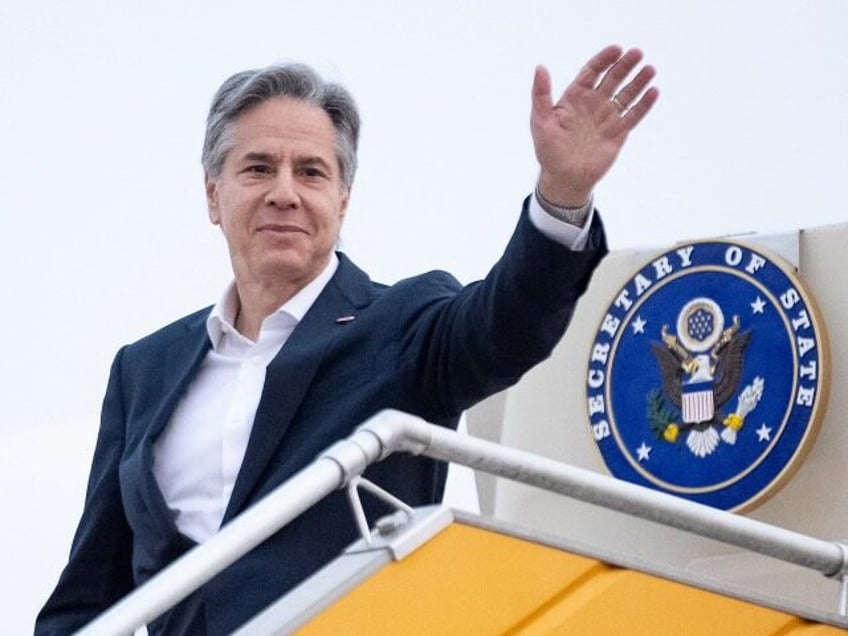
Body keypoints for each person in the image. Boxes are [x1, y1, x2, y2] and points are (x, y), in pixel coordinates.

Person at [36, 45, 658, 635]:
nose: (285, 192)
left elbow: (506, 327)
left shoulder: (403, 323)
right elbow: (93, 592)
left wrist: (562, 196)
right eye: (258, 168)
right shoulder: (144, 368)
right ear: (212, 195)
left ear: (342, 198)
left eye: (310, 172)